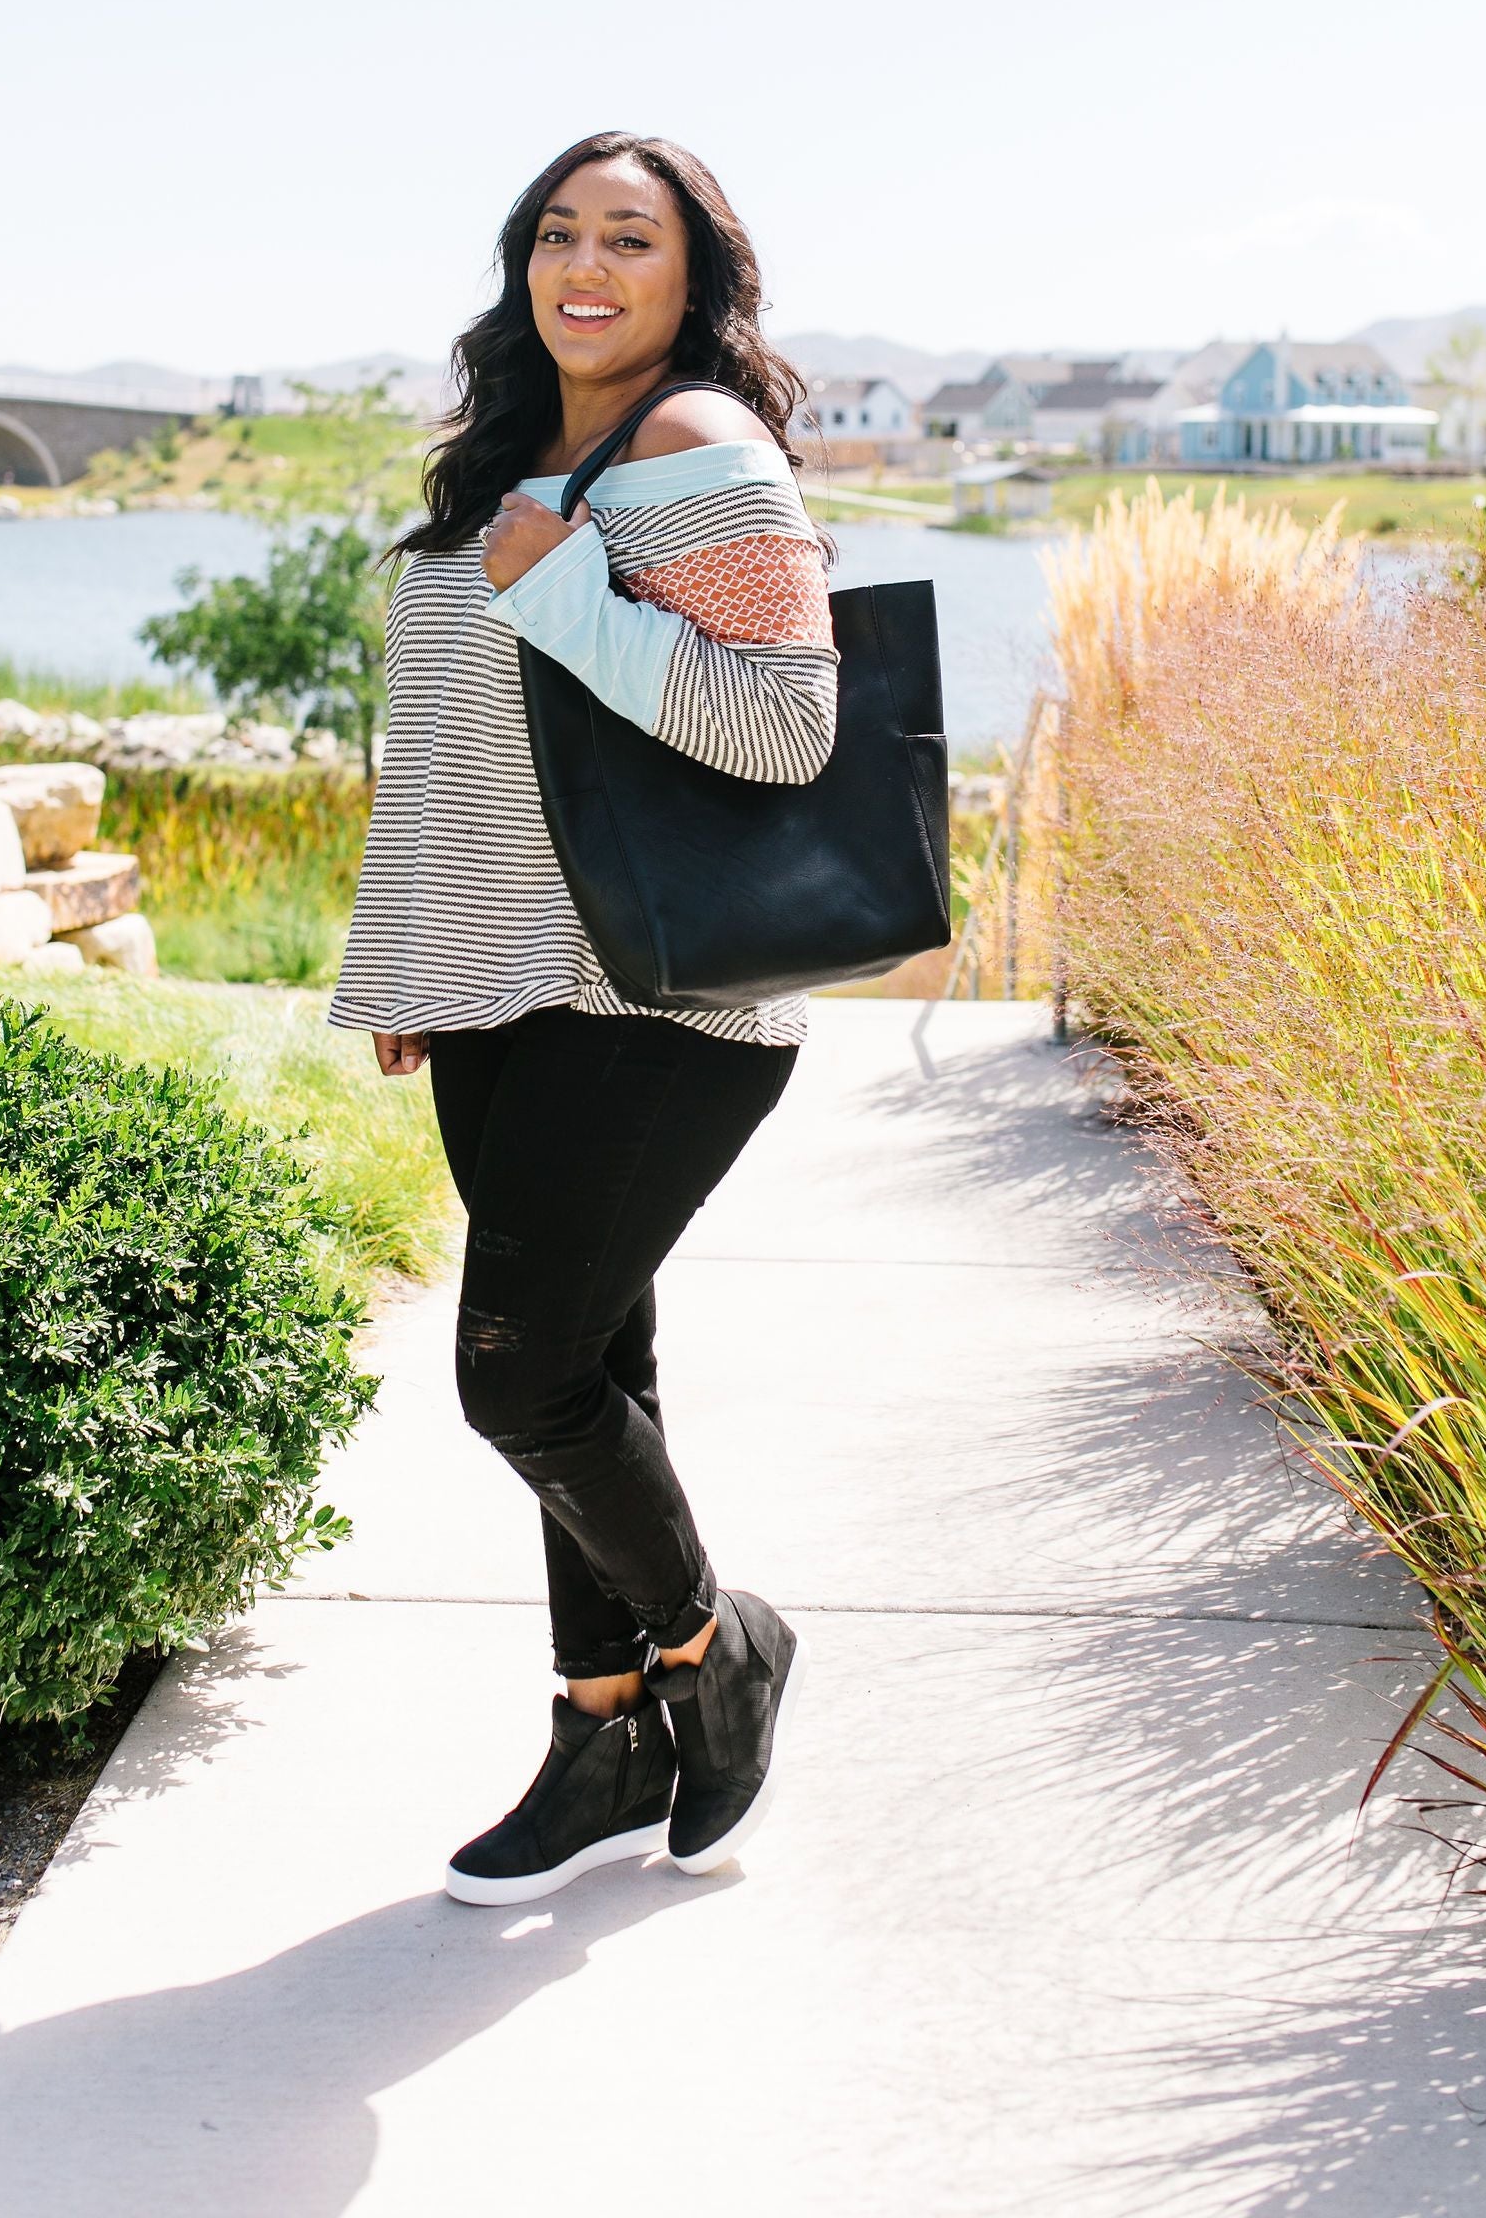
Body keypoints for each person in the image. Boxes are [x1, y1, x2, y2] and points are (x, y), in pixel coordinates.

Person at [328, 129, 837, 1906]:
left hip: (654, 1002)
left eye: (632, 236)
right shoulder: (502, 460)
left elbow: (787, 726)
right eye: (558, 232)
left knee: (517, 1376)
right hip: (495, 986)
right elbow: (456, 759)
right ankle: (600, 1730)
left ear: (695, 280)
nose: (586, 266)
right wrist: (411, 953)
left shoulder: (696, 445)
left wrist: (561, 587)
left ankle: (714, 1648)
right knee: (596, 1366)